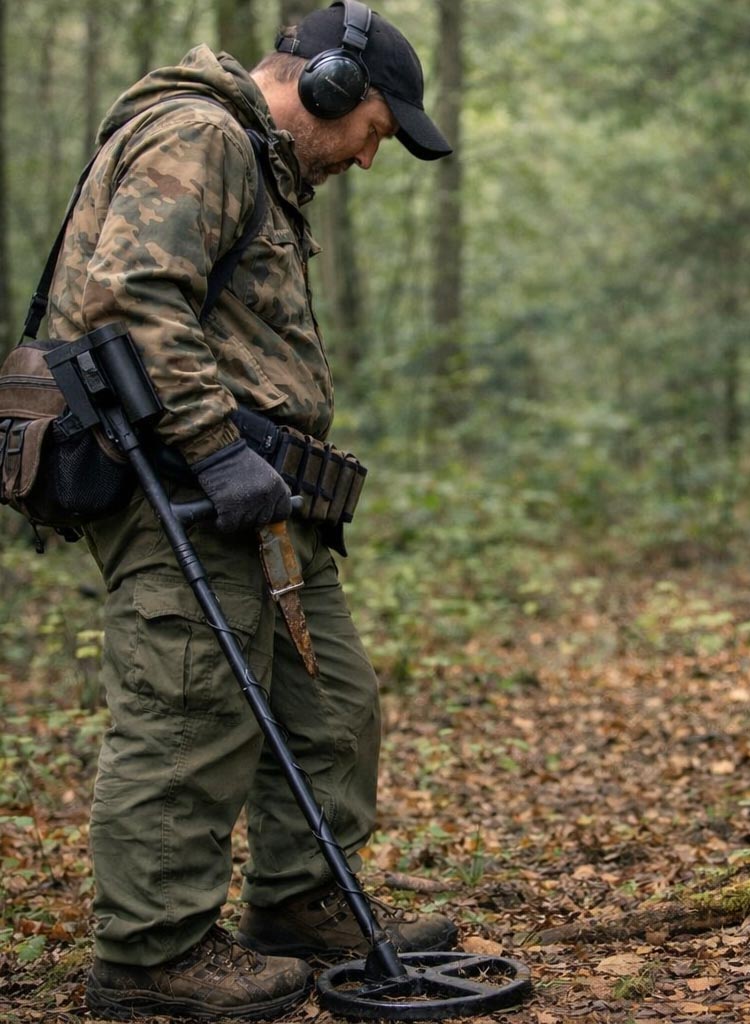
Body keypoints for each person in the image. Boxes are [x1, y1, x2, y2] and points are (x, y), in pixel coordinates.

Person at [44, 4, 456, 1019]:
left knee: (333, 700)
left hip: (260, 492)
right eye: (373, 129)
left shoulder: (258, 165)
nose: (367, 157)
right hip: (181, 484)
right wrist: (217, 449)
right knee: (188, 709)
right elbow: (132, 297)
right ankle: (151, 954)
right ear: (327, 85)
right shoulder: (201, 136)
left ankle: (299, 900)